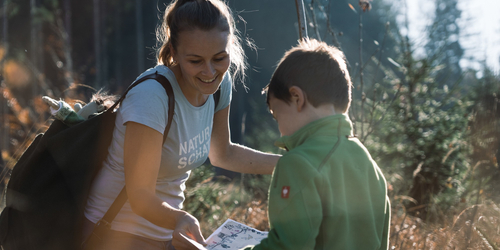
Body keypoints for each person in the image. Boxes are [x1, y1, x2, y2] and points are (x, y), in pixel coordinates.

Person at [82, 0, 280, 249]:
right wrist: (181, 218)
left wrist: (292, 164)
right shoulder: (152, 97)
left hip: (167, 233)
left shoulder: (220, 85)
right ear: (173, 52)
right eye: (195, 61)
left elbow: (223, 153)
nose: (209, 72)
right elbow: (140, 196)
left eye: (219, 58)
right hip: (115, 233)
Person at [243, 38, 391, 250]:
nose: (280, 129)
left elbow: (288, 247)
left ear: (296, 97)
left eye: (277, 115)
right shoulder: (372, 169)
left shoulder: (297, 164)